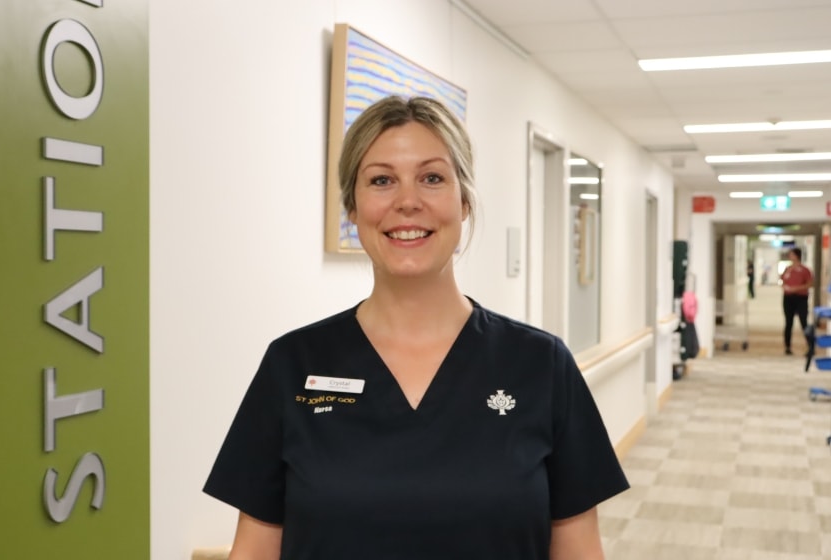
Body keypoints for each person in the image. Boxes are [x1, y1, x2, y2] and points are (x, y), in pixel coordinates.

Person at [203, 95, 629, 559]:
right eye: (381, 180)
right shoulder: (292, 365)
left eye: (431, 178)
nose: (407, 202)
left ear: (464, 201)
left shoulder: (541, 366)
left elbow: (579, 549)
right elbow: (255, 550)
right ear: (352, 208)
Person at [781, 247, 813, 355]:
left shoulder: (805, 270)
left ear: (797, 256)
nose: (790, 256)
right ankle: (787, 347)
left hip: (801, 298)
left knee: (803, 322)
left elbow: (809, 284)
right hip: (788, 298)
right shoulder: (788, 269)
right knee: (788, 322)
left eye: (791, 254)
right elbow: (783, 280)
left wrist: (796, 288)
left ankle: (810, 346)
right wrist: (784, 287)